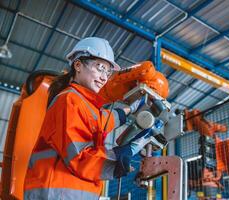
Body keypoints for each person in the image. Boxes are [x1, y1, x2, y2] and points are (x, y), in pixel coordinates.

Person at [24, 37, 149, 200]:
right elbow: (80, 157)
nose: (104, 77)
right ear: (78, 65)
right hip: (55, 194)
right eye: (100, 67)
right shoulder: (69, 100)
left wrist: (131, 108)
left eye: (108, 72)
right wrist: (122, 154)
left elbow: (104, 120)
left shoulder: (87, 106)